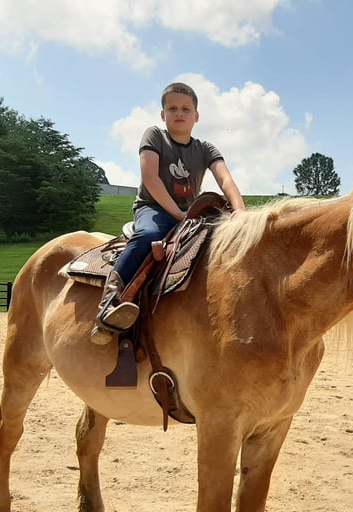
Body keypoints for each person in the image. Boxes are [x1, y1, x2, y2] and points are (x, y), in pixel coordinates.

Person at [91, 82, 246, 345]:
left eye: (186, 109)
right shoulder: (155, 136)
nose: (179, 113)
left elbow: (225, 179)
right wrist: (179, 214)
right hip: (154, 208)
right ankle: (110, 301)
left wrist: (240, 209)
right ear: (163, 114)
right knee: (148, 235)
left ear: (196, 116)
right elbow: (150, 177)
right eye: (172, 108)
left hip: (191, 214)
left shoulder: (205, 148)